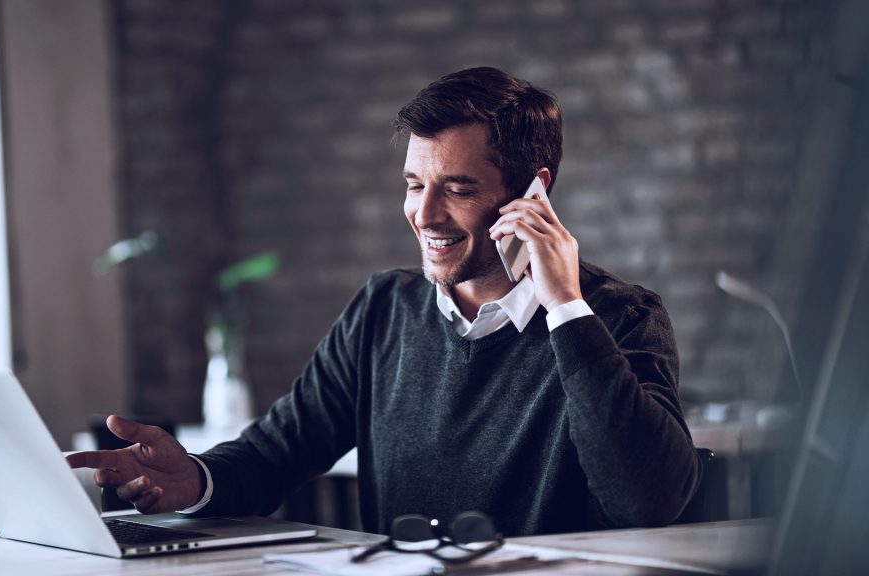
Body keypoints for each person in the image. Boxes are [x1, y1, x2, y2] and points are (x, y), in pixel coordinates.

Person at [67, 66, 699, 537]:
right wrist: (195, 480)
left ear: (534, 191)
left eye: (456, 188)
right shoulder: (382, 310)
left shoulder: (617, 317)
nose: (424, 214)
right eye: (414, 184)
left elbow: (647, 500)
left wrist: (565, 303)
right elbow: (276, 453)